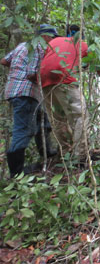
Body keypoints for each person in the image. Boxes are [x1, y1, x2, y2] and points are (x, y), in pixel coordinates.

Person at [1, 24, 59, 177]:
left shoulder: (22, 46)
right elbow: (32, 73)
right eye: (52, 38)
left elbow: (4, 61)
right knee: (23, 131)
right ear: (45, 36)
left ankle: (47, 153)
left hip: (17, 91)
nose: (52, 42)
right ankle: (16, 173)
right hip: (25, 93)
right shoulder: (39, 47)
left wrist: (16, 71)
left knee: (43, 122)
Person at [39, 24, 89, 163]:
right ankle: (80, 155)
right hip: (63, 77)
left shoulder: (54, 41)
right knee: (80, 116)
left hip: (44, 80)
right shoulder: (80, 43)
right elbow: (94, 61)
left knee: (58, 118)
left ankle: (66, 152)